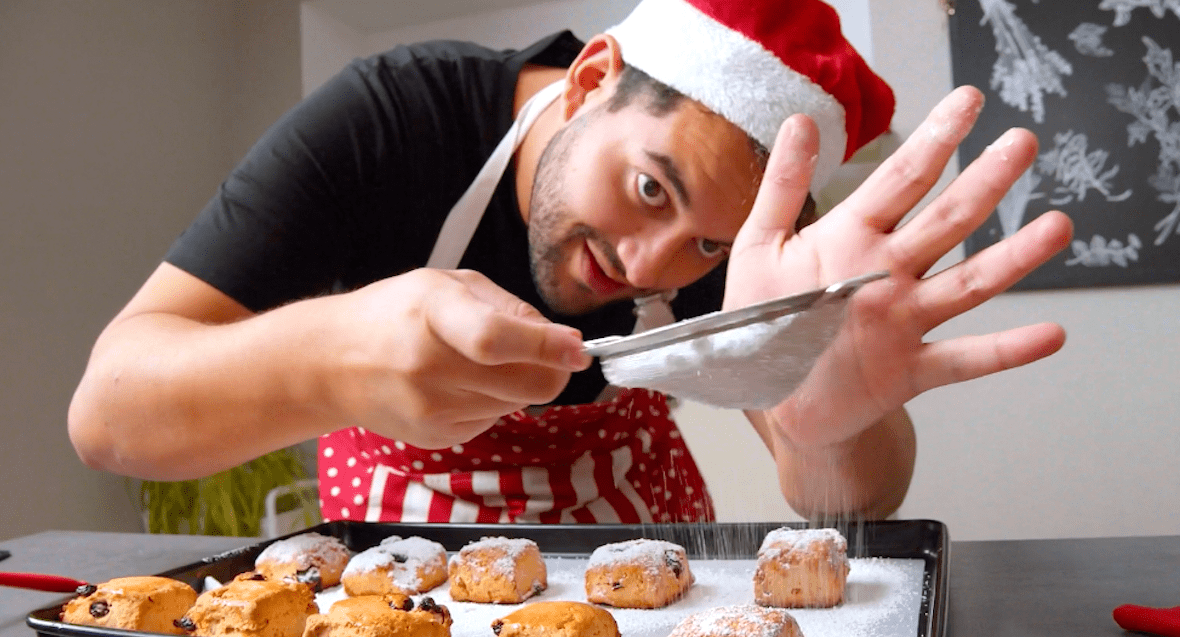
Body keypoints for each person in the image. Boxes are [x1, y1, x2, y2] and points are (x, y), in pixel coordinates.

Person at [68, 0, 1071, 525]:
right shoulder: (388, 123)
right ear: (593, 78)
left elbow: (853, 500)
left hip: (640, 560)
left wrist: (822, 427)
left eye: (706, 246)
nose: (651, 267)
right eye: (649, 191)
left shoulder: (740, 240)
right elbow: (109, 415)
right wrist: (334, 353)